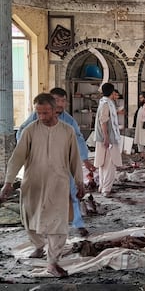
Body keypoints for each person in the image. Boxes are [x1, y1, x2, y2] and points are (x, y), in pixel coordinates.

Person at [0, 93, 84, 277]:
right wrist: (8, 183)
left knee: (58, 224)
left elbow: (75, 160)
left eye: (46, 113)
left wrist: (80, 182)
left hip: (58, 184)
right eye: (39, 113)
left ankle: (53, 263)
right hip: (33, 183)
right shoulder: (30, 130)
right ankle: (39, 246)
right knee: (30, 220)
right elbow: (17, 158)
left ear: (55, 110)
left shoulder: (67, 131)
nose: (42, 117)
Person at [16, 87, 94, 237]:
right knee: (40, 197)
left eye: (63, 100)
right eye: (56, 100)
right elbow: (21, 137)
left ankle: (78, 223)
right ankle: (40, 227)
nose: (60, 104)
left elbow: (78, 140)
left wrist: (85, 160)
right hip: (40, 166)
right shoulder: (35, 119)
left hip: (62, 165)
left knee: (73, 193)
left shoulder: (69, 121)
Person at [94, 83, 123, 197]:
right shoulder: (106, 104)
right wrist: (106, 137)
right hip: (108, 138)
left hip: (103, 137)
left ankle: (102, 186)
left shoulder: (103, 102)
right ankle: (106, 188)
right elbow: (103, 121)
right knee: (110, 163)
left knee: (103, 163)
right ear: (112, 93)